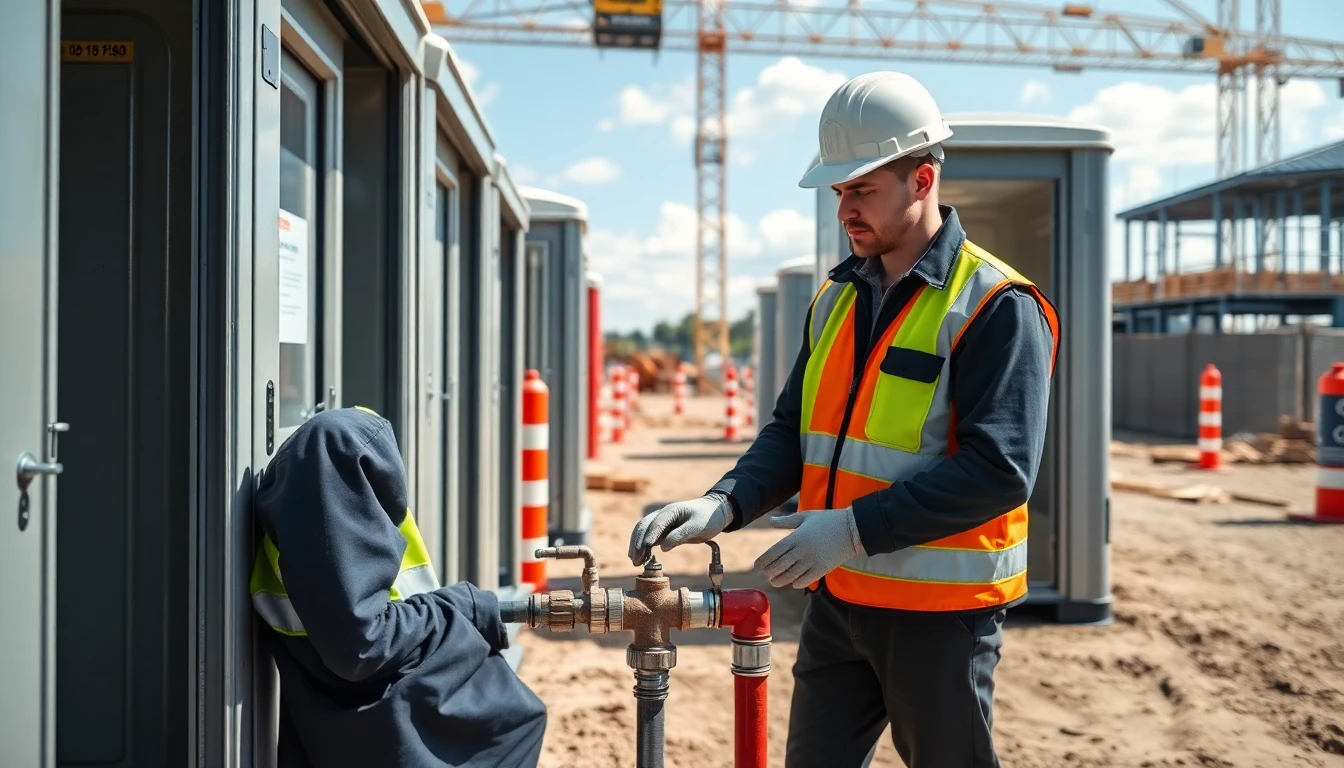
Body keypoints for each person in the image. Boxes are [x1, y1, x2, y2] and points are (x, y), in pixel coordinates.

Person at [628, 71, 1059, 768]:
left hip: (940, 616)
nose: (845, 210)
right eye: (839, 192)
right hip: (839, 601)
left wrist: (854, 529)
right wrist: (725, 503)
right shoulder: (836, 297)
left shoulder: (996, 303)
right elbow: (792, 430)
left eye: (862, 189)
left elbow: (999, 470)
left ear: (922, 180)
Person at [250, 405, 547, 768]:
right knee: (515, 717)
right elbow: (363, 644)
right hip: (384, 721)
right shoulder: (330, 482)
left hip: (351, 722)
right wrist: (468, 606)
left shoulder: (305, 512)